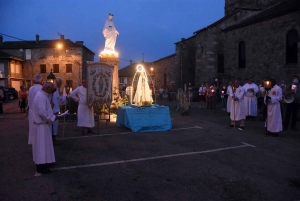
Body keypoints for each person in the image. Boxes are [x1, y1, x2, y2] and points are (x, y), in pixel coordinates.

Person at [31, 82, 58, 175]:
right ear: (47, 88)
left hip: (43, 125)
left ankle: (46, 162)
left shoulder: (42, 95)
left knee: (45, 146)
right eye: (52, 90)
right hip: (40, 125)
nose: (52, 93)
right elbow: (42, 112)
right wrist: (52, 118)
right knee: (41, 147)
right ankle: (40, 167)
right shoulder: (41, 97)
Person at [28, 74, 43, 145]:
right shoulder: (42, 88)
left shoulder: (31, 88)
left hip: (31, 110)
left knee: (32, 126)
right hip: (38, 109)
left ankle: (33, 140)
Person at [51, 77, 67, 143]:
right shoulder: (53, 90)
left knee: (55, 126)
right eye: (60, 82)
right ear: (57, 82)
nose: (61, 84)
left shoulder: (57, 90)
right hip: (53, 111)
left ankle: (54, 138)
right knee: (53, 126)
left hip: (56, 110)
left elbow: (59, 99)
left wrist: (64, 97)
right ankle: (52, 140)